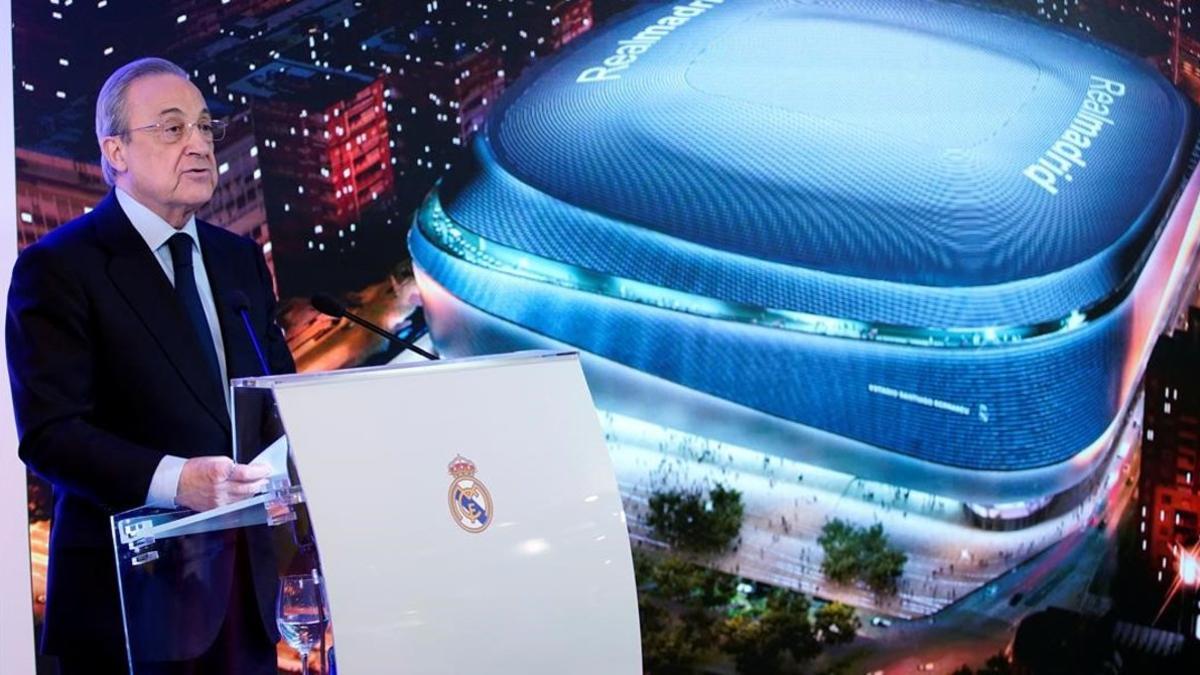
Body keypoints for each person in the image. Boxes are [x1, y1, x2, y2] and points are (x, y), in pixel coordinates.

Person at [6, 57, 295, 674]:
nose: (198, 145)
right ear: (115, 150)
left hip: (245, 597)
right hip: (131, 606)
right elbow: (51, 435)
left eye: (205, 128)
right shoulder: (60, 268)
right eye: (171, 129)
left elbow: (278, 399)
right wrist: (178, 480)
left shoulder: (238, 258)